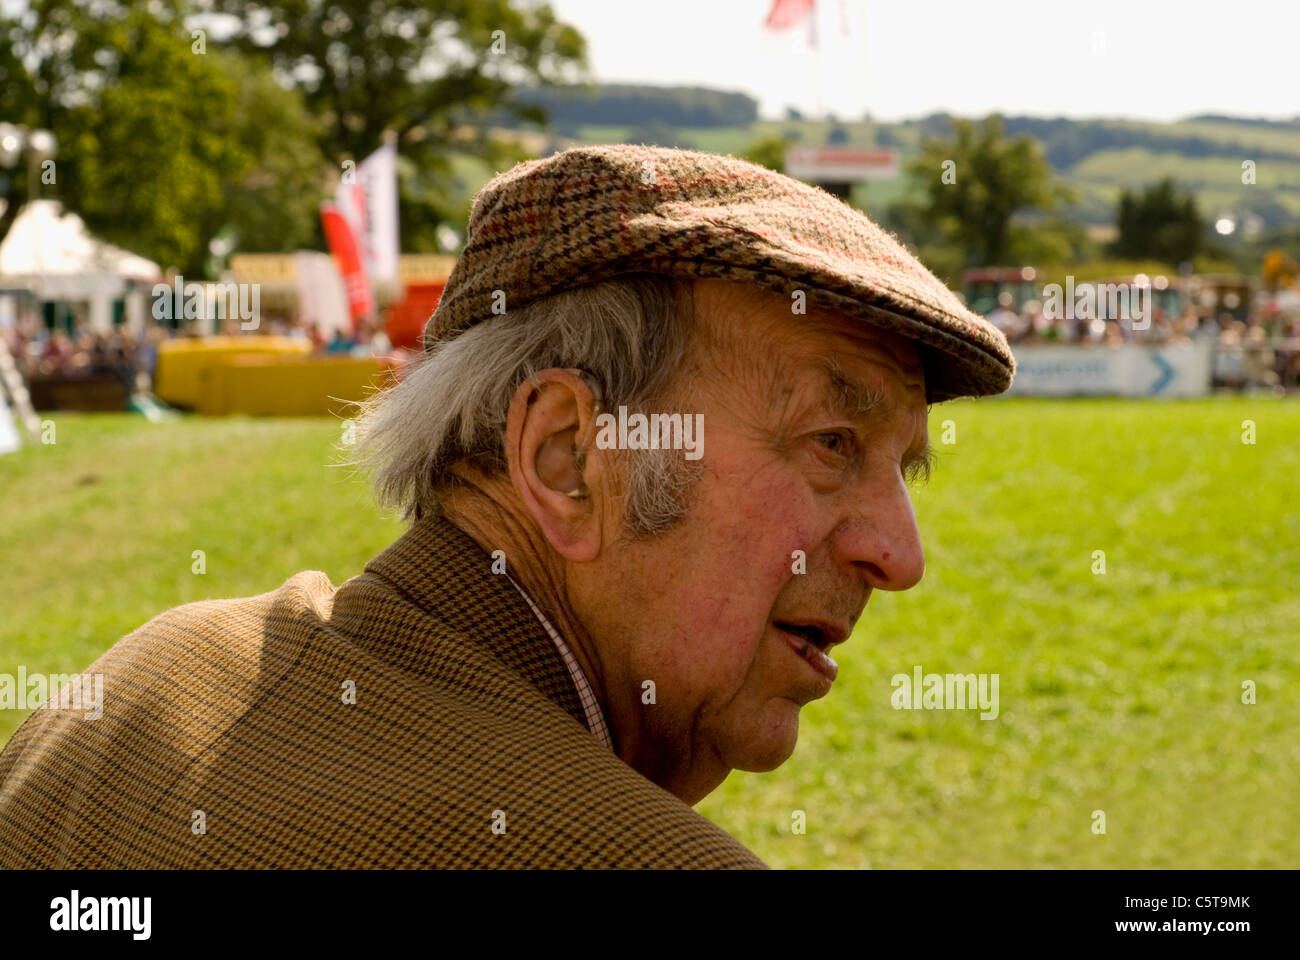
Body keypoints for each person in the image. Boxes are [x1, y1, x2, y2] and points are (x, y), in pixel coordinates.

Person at [0, 145, 1015, 869]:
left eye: (904, 468)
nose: (899, 553)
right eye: (832, 444)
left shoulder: (142, 679)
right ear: (570, 459)